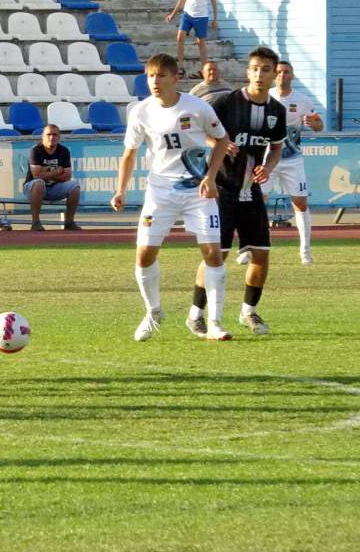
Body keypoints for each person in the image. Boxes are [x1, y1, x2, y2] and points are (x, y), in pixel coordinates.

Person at [111, 53, 233, 342]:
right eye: (151, 76)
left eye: (161, 76)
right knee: (144, 255)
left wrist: (210, 177)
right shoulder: (141, 112)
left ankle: (214, 322)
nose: (155, 82)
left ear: (175, 78)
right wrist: (120, 190)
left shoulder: (197, 107)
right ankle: (153, 312)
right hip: (160, 192)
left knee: (213, 253)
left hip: (197, 191)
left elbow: (222, 140)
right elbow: (129, 154)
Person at [194, 46, 287, 336]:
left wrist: (268, 167)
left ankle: (248, 311)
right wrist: (219, 143)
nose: (259, 74)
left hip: (251, 193)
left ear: (274, 74)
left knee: (261, 255)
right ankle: (196, 314)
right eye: (255, 69)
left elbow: (276, 148)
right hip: (222, 191)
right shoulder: (226, 103)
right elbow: (203, 133)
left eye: (266, 70)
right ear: (248, 71)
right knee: (216, 256)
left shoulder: (277, 111)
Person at [247, 60, 323, 265]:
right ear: (274, 75)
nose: (282, 75)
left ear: (292, 76)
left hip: (292, 160)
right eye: (279, 72)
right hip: (266, 160)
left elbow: (318, 125)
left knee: (300, 203)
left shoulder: (303, 100)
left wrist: (315, 123)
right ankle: (250, 247)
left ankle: (305, 251)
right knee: (256, 201)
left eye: (286, 72)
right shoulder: (264, 97)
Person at [165, 0, 219, 79]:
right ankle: (180, 67)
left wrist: (215, 19)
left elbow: (213, 1)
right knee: (180, 37)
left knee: (201, 42)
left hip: (201, 16)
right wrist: (173, 14)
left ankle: (203, 70)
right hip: (187, 14)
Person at [22, 124, 82, 231]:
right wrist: (57, 172)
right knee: (39, 183)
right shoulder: (36, 150)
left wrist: (46, 172)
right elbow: (36, 175)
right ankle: (35, 222)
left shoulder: (64, 151)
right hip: (32, 188)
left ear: (59, 137)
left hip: (54, 187)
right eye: (48, 134)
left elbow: (67, 176)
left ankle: (69, 222)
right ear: (43, 136)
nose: (51, 137)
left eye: (55, 135)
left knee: (75, 186)